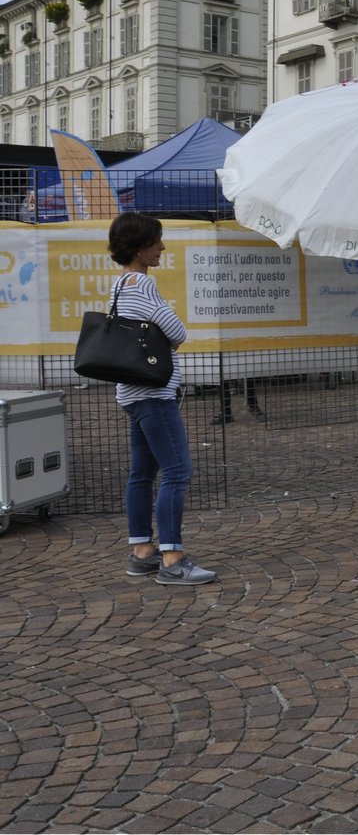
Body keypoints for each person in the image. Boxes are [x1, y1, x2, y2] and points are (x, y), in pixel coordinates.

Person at [109, 212, 215, 585]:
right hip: (154, 395)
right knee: (177, 470)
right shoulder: (142, 285)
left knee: (142, 474)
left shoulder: (119, 284)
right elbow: (177, 331)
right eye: (157, 241)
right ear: (140, 246)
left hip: (132, 394)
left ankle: (142, 552)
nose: (162, 247)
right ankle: (173, 559)